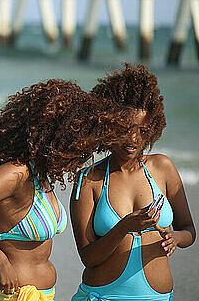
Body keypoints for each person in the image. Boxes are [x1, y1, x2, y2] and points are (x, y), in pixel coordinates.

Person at [0, 79, 130, 301]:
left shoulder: (39, 175)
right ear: (57, 136)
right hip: (11, 296)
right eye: (79, 141)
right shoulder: (17, 173)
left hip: (43, 294)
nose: (82, 151)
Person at [70, 63, 196, 301]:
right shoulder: (88, 180)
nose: (134, 139)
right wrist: (124, 227)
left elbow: (188, 229)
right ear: (107, 125)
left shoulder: (163, 167)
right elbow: (88, 257)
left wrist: (176, 238)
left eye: (142, 130)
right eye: (125, 128)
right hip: (103, 296)